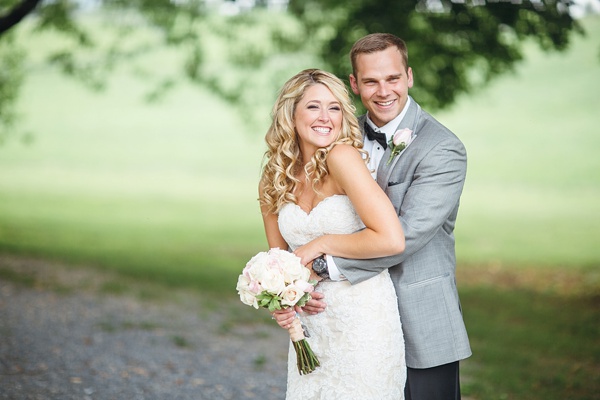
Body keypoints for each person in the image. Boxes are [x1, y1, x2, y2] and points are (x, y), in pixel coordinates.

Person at [300, 33, 473, 400]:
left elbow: (406, 236)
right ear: (354, 84)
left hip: (420, 321)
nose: (383, 91)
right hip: (357, 323)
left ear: (408, 76)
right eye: (370, 81)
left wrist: (321, 269)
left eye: (392, 78)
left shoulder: (443, 149)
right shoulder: (339, 136)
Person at [259, 69, 407, 399]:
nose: (326, 118)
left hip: (363, 318)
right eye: (313, 107)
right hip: (312, 324)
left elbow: (390, 239)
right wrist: (284, 300)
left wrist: (321, 244)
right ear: (291, 113)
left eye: (335, 107)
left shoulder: (343, 157)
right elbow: (281, 262)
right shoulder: (274, 176)